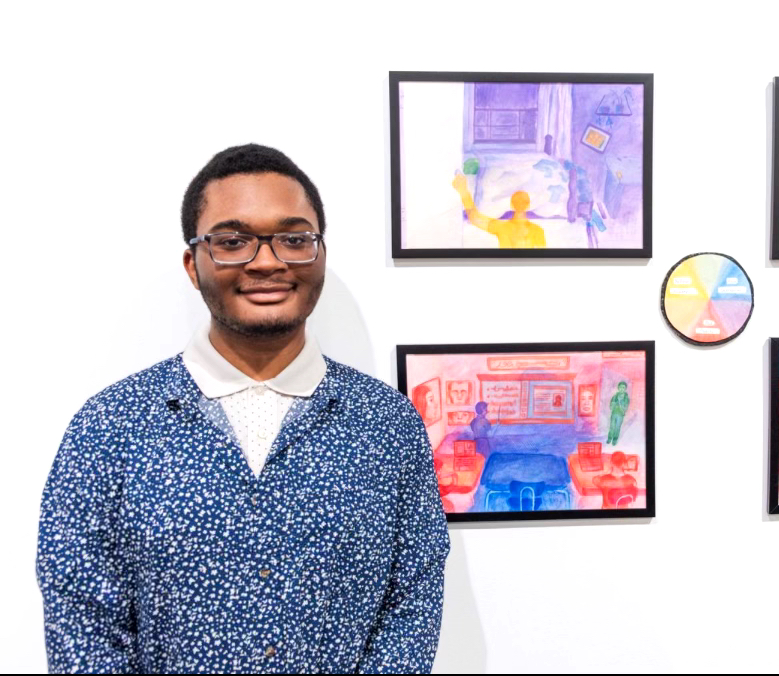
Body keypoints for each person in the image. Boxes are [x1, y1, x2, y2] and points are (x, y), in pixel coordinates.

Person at [35, 144, 450, 674]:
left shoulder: (386, 423)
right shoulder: (111, 426)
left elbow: (411, 605)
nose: (267, 261)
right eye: (232, 242)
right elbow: (83, 627)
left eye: (294, 239)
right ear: (194, 263)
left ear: (320, 253)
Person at [451, 171, 546, 248]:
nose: (520, 203)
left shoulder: (537, 231)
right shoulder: (501, 227)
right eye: (517, 200)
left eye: (523, 201)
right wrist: (463, 192)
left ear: (528, 204)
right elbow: (474, 218)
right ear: (512, 204)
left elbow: (543, 259)